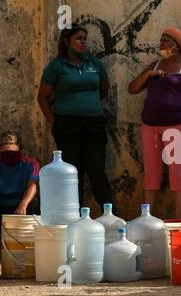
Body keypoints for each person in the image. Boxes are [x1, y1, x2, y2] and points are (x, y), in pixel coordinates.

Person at [128, 28, 181, 218]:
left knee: (177, 171)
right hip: (150, 125)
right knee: (151, 172)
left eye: (165, 41)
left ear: (177, 46)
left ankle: (177, 217)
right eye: (160, 40)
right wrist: (149, 75)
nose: (161, 44)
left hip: (177, 126)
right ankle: (146, 217)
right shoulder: (155, 64)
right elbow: (133, 88)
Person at [37, 23, 113, 210]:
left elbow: (103, 89)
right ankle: (75, 216)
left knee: (96, 170)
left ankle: (109, 213)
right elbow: (43, 97)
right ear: (67, 41)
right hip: (67, 125)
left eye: (84, 39)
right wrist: (54, 121)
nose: (83, 43)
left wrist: (88, 105)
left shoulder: (94, 63)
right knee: (73, 173)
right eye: (78, 39)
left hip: (93, 124)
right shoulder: (56, 66)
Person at [0, 131, 39, 233]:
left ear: (20, 148)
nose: (9, 156)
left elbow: (33, 185)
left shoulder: (31, 164)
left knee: (35, 204)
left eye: (12, 153)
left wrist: (23, 204)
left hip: (23, 203)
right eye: (5, 153)